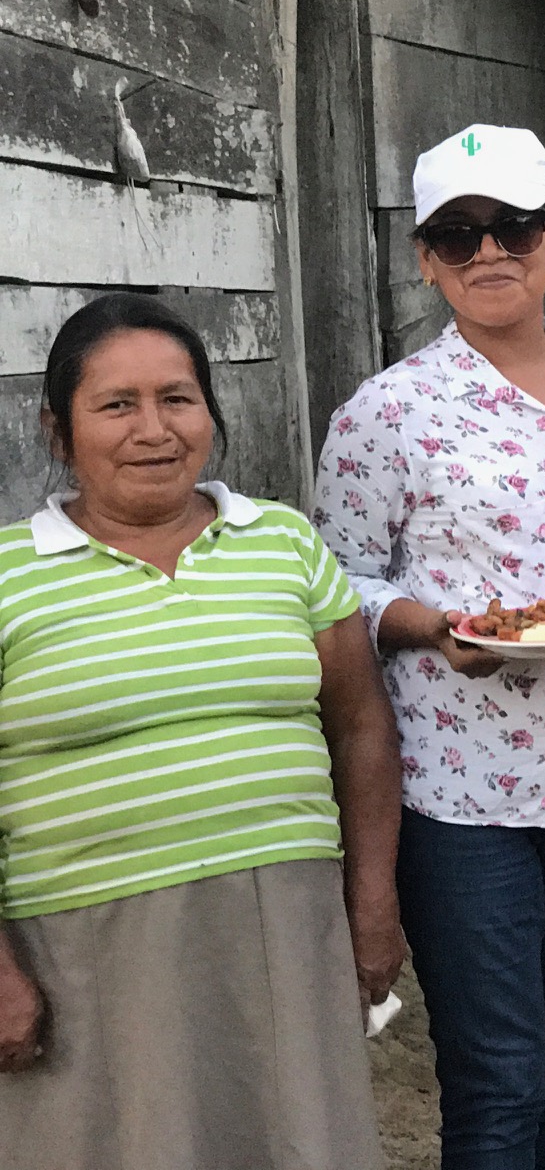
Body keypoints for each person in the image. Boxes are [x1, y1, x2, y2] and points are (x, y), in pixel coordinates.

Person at [312, 124, 545, 1170]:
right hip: (465, 788)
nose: (489, 253)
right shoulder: (386, 413)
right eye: (458, 235)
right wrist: (436, 628)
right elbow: (339, 589)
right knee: (499, 1074)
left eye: (514, 226)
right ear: (426, 257)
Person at [0, 294, 402, 1170]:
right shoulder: (8, 576)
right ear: (58, 432)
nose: (154, 429)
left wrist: (374, 904)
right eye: (116, 405)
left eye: (178, 399)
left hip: (285, 931)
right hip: (84, 946)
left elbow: (363, 727)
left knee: (297, 1141)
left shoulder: (284, 544)